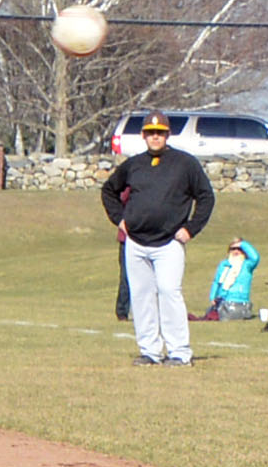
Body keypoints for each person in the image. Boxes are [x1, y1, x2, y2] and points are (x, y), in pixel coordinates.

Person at [100, 110, 215, 367]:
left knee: (169, 292)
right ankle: (150, 351)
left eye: (160, 133)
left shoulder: (185, 164)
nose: (155, 137)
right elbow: (109, 190)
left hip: (169, 243)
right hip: (136, 242)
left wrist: (190, 229)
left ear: (167, 135)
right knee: (141, 296)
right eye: (150, 133)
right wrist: (120, 219)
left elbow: (206, 197)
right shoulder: (134, 164)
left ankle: (179, 352)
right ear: (143, 135)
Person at [203, 237, 259, 320]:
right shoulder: (224, 264)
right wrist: (212, 297)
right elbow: (216, 282)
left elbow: (255, 257)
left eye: (239, 249)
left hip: (239, 301)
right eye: (233, 249)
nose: (236, 251)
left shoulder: (247, 265)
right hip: (223, 301)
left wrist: (242, 244)